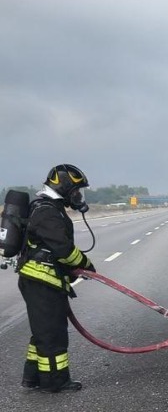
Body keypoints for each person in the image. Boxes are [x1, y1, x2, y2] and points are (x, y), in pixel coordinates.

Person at [17, 164, 94, 392]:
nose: (79, 196)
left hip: (43, 280)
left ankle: (32, 377)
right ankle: (56, 381)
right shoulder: (46, 211)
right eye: (77, 190)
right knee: (53, 336)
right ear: (65, 186)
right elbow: (64, 250)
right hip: (42, 282)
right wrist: (86, 265)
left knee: (43, 332)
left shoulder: (49, 208)